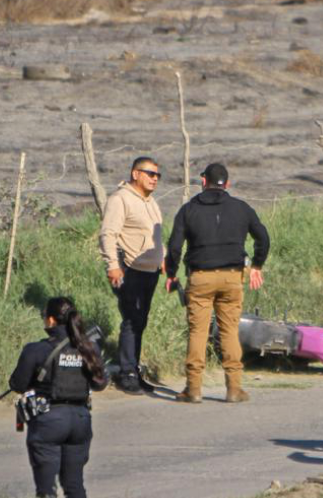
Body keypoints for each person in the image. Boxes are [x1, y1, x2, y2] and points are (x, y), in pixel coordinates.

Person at [165, 163, 270, 403]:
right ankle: (234, 389)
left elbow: (174, 246)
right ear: (228, 184)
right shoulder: (241, 208)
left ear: (203, 181)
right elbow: (263, 237)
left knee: (198, 332)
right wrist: (257, 265)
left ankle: (193, 389)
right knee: (229, 332)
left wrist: (171, 273)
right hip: (232, 277)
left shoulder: (188, 209)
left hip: (200, 277)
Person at [8, 297, 108, 498]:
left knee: (46, 487)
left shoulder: (36, 350)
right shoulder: (88, 348)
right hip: (80, 421)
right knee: (74, 484)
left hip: (48, 422)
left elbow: (18, 384)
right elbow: (100, 384)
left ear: (51, 320)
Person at [98, 156, 165, 395]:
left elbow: (155, 237)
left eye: (157, 175)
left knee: (141, 321)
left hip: (151, 271)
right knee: (131, 320)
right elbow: (108, 234)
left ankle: (134, 370)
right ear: (135, 174)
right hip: (129, 269)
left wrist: (163, 258)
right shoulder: (120, 199)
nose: (155, 178)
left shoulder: (151, 202)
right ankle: (126, 374)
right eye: (150, 173)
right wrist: (112, 266)